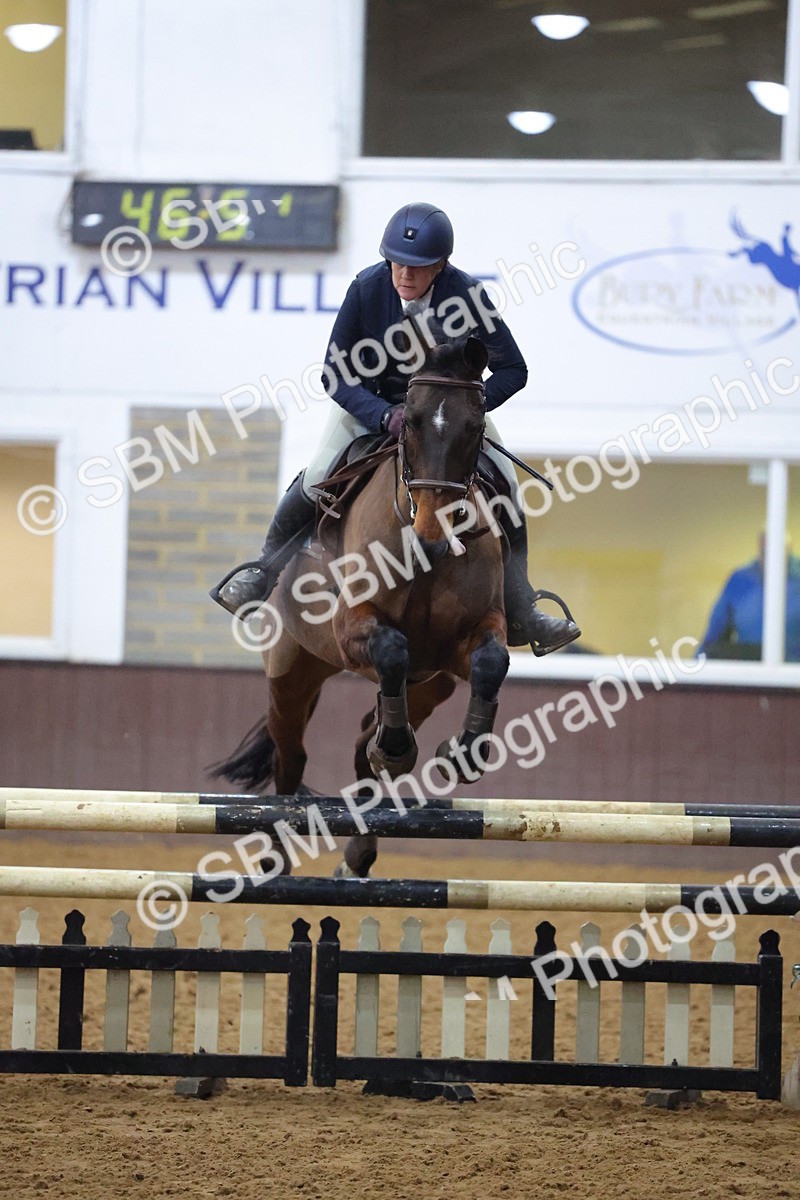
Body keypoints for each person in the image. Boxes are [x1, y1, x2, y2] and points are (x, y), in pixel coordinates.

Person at [211, 201, 580, 654]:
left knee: (507, 487)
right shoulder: (366, 289)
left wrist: (464, 413)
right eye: (397, 263)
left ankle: (523, 608)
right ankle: (261, 573)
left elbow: (513, 370)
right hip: (373, 407)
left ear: (441, 266)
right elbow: (334, 374)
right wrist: (383, 415)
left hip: (445, 419)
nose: (404, 275)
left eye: (418, 267)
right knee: (315, 476)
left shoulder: (468, 297)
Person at [698, 535, 800, 661]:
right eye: (765, 552)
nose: (771, 558)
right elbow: (714, 636)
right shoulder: (741, 579)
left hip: (793, 674)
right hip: (749, 672)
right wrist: (694, 672)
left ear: (788, 550)